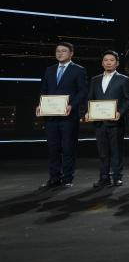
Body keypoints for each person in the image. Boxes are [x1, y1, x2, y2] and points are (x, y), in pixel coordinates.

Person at [37, 41, 88, 188]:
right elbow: (44, 90)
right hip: (51, 116)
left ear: (71, 53)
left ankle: (67, 178)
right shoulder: (49, 70)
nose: (60, 53)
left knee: (68, 148)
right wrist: (40, 105)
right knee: (53, 148)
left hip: (69, 117)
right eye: (58, 51)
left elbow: (82, 91)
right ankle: (54, 178)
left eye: (63, 51)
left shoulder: (78, 70)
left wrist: (72, 105)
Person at [87, 50, 129, 187]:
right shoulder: (95, 80)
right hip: (99, 122)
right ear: (102, 63)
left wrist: (120, 112)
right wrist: (88, 112)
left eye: (111, 60)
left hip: (116, 122)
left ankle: (117, 177)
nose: (108, 62)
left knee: (116, 151)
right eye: (106, 60)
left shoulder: (124, 79)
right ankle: (104, 178)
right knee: (102, 152)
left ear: (117, 63)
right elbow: (90, 98)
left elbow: (128, 100)